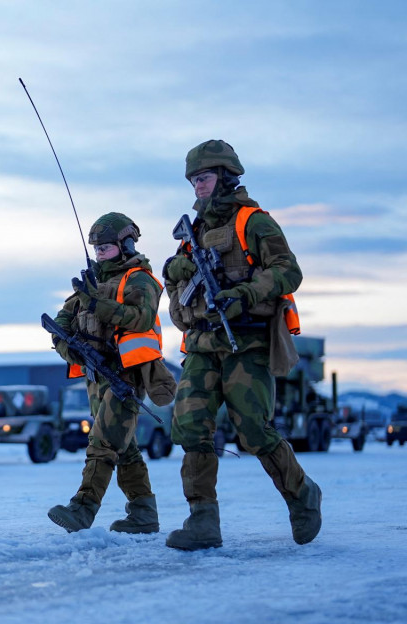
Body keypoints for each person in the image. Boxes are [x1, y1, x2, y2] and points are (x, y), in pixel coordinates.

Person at [162, 140, 322, 550]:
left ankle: (302, 496)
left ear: (226, 176)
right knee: (190, 426)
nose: (198, 186)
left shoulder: (254, 222)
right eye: (194, 180)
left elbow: (288, 271)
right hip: (201, 344)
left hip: (246, 341)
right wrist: (177, 270)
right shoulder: (193, 232)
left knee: (253, 429)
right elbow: (177, 284)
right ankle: (203, 521)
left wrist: (247, 293)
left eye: (205, 178)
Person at [48, 212, 177, 533]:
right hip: (95, 375)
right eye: (97, 249)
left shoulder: (140, 280)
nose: (100, 254)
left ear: (126, 243)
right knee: (125, 445)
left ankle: (83, 508)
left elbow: (141, 317)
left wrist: (97, 305)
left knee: (103, 442)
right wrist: (70, 348)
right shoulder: (92, 283)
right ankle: (144, 513)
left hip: (127, 375)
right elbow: (62, 322)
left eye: (106, 248)